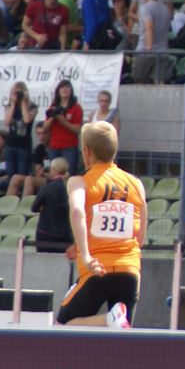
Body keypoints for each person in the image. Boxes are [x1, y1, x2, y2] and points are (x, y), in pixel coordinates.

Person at [57, 121, 147, 328]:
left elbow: (77, 211)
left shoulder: (79, 181)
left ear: (86, 151)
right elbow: (140, 235)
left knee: (64, 325)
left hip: (97, 269)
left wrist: (86, 255)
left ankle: (108, 319)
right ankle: (113, 319)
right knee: (121, 329)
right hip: (130, 268)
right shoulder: (136, 183)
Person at [31, 156, 72, 254]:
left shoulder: (48, 187)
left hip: (46, 232)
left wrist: (43, 208)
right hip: (66, 233)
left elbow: (34, 207)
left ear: (53, 170)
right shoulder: (71, 186)